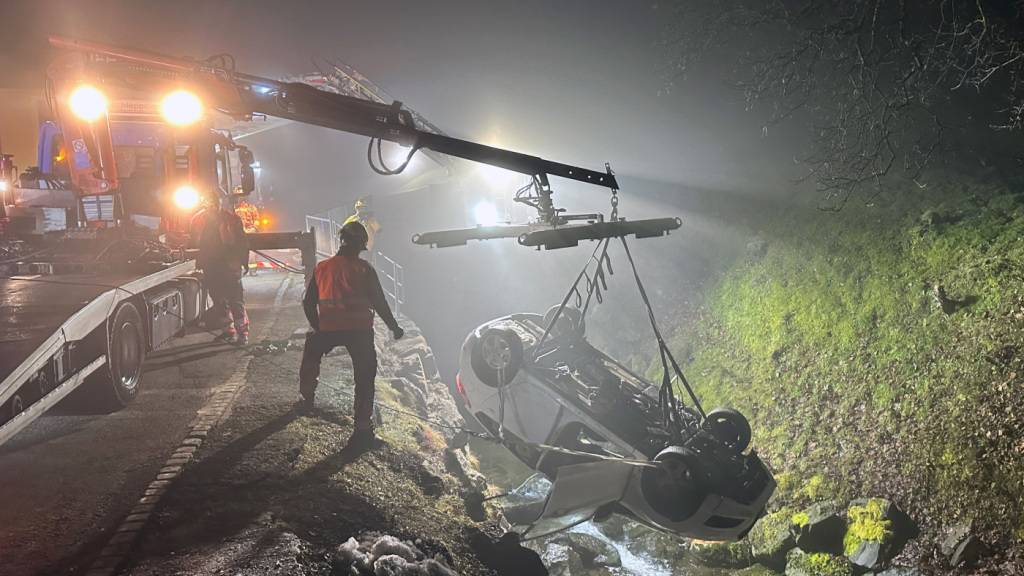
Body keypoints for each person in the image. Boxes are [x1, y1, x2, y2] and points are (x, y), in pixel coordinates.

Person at [299, 220, 404, 448]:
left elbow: (308, 303)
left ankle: (306, 399)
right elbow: (380, 303)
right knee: (365, 378)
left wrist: (317, 327)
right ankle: (363, 428)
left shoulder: (322, 268)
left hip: (327, 329)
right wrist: (394, 327)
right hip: (359, 332)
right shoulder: (365, 270)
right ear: (359, 245)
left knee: (310, 355)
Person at [198, 198, 250, 345]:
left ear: (216, 205)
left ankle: (242, 334)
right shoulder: (208, 221)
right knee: (219, 301)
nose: (207, 210)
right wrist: (201, 262)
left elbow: (242, 243)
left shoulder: (231, 220)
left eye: (208, 207)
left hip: (228, 267)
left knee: (235, 301)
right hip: (213, 268)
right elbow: (205, 245)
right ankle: (228, 331)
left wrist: (242, 263)